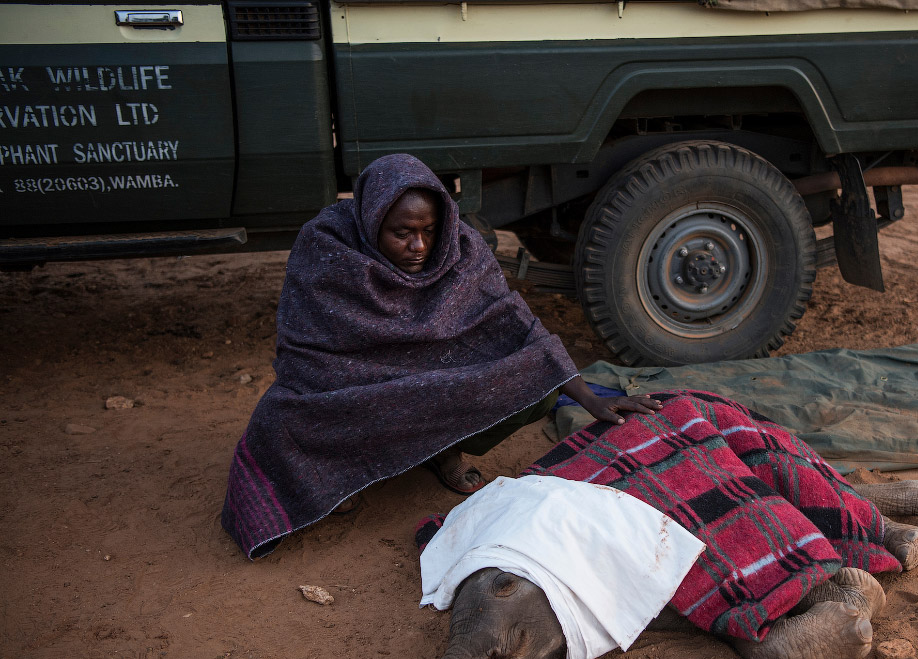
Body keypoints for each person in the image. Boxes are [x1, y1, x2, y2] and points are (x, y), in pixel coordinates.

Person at [221, 154, 659, 558]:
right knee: (284, 419)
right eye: (402, 233)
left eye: (428, 231)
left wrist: (586, 397)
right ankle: (337, 471)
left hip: (437, 383)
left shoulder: (461, 247)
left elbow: (518, 325)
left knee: (537, 389)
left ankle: (446, 451)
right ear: (372, 221)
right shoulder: (328, 246)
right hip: (354, 388)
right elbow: (303, 352)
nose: (419, 247)